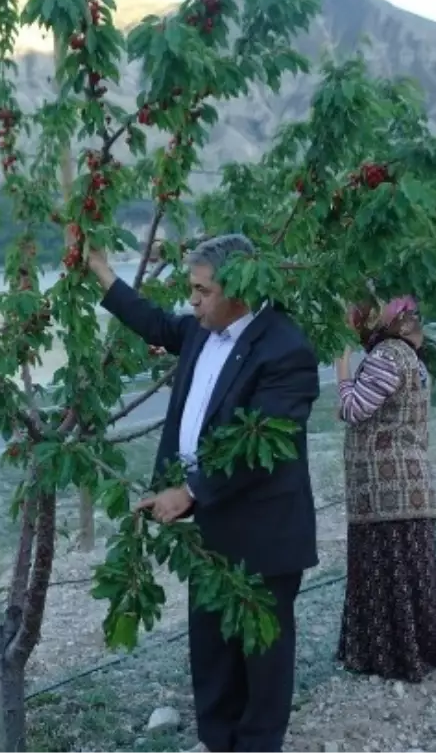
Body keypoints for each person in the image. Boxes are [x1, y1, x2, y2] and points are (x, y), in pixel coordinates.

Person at [86, 234, 321, 753]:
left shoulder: (287, 349)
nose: (191, 300)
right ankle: (218, 742)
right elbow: (153, 321)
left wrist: (190, 491)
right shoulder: (198, 330)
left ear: (238, 287)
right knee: (211, 649)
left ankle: (258, 746)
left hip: (263, 531)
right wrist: (103, 273)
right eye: (191, 290)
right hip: (211, 530)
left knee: (262, 655)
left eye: (201, 290)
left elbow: (265, 445)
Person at [334, 296, 436, 683]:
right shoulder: (410, 358)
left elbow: (353, 409)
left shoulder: (385, 357)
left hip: (386, 488)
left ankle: (391, 658)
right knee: (412, 571)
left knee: (388, 570)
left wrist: (341, 367)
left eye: (357, 317)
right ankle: (420, 651)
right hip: (409, 486)